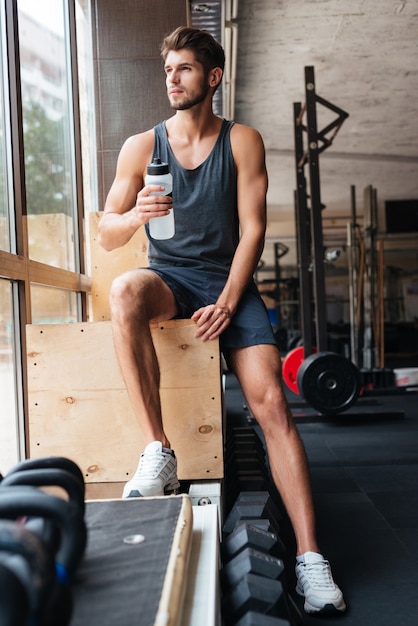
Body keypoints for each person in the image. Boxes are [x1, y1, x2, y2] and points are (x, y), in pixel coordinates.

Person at [98, 26, 346, 615]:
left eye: (184, 69)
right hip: (171, 280)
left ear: (212, 78)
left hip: (229, 282)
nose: (172, 79)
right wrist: (134, 214)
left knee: (273, 408)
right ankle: (158, 452)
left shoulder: (243, 141)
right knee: (125, 290)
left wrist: (232, 300)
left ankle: (312, 561)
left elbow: (253, 229)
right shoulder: (141, 147)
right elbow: (106, 234)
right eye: (168, 70)